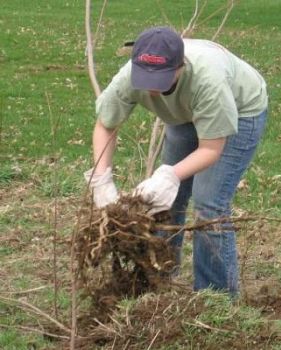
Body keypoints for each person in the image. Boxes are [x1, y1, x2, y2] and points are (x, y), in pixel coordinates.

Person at [84, 26, 268, 296]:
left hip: (241, 111)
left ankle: (214, 298)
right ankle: (157, 279)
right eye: (145, 77)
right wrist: (101, 179)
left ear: (180, 67)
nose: (151, 88)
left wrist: (169, 174)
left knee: (209, 204)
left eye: (160, 79)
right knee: (166, 200)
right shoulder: (129, 76)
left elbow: (210, 149)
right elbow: (106, 125)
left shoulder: (208, 80)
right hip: (184, 115)